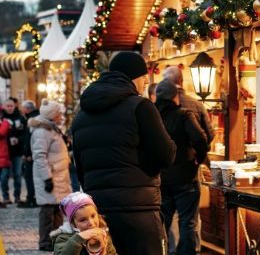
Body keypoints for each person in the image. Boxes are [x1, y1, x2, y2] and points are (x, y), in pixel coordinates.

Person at [71, 51, 176, 255]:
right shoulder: (141, 106)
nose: (146, 81)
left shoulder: (81, 115)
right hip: (139, 211)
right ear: (134, 76)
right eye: (144, 76)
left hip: (99, 214)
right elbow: (166, 155)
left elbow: (80, 167)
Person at [163, 66, 214, 254]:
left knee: (165, 220)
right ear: (181, 81)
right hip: (187, 173)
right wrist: (198, 158)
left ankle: (167, 251)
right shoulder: (195, 105)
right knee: (188, 220)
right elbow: (208, 136)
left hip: (164, 176)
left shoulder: (153, 112)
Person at [29, 99, 72, 251]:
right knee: (47, 212)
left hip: (58, 176)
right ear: (52, 114)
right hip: (50, 176)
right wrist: (47, 178)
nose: (61, 116)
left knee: (57, 210)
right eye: (59, 113)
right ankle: (45, 242)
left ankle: (56, 241)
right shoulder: (42, 131)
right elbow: (39, 156)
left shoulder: (52, 128)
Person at [50, 192, 117, 255]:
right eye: (83, 220)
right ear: (73, 224)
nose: (91, 223)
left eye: (93, 216)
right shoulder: (63, 237)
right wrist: (77, 239)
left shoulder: (103, 233)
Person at [1, 97, 27, 204]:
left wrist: (18, 140)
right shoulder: (2, 118)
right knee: (4, 176)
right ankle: (6, 196)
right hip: (4, 152)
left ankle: (17, 196)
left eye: (11, 106)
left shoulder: (20, 118)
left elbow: (25, 133)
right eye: (8, 106)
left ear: (14, 106)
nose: (10, 108)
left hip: (17, 151)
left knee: (17, 174)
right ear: (4, 107)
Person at [18, 100, 39, 208]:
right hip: (32, 154)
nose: (22, 110)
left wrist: (28, 153)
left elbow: (31, 138)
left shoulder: (32, 119)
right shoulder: (33, 117)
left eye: (23, 108)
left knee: (29, 177)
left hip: (31, 155)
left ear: (27, 109)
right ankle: (32, 197)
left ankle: (31, 198)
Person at [0, 110, 11, 208]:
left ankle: (6, 197)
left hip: (3, 156)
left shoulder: (5, 122)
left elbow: (2, 133)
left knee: (4, 179)